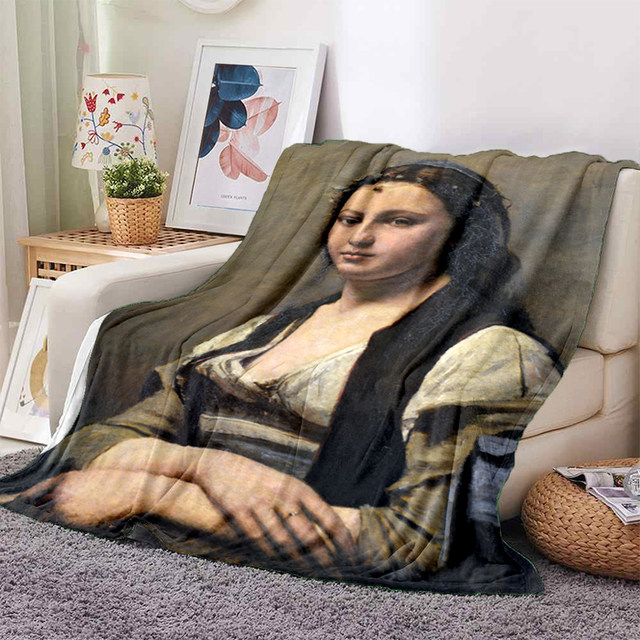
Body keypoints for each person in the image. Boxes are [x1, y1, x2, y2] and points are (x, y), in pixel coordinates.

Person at [0, 162, 560, 591]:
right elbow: (106, 436)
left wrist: (161, 496)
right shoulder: (268, 328)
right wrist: (200, 464)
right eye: (351, 219)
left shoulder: (487, 352)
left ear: (461, 238)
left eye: (399, 221)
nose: (360, 236)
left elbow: (421, 541)